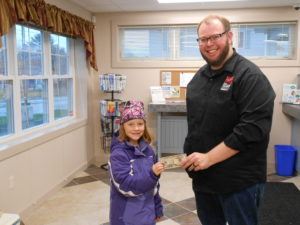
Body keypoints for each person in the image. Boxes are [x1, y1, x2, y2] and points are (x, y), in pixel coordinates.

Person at [180, 15, 276, 225]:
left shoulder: (250, 76)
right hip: (204, 180)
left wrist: (208, 158)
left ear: (230, 36)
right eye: (203, 39)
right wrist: (191, 155)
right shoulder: (199, 78)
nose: (208, 44)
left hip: (238, 183)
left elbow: (250, 131)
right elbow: (198, 124)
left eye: (215, 37)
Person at [108, 100, 164, 225]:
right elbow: (125, 186)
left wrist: (157, 207)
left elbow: (154, 185)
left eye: (140, 123)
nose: (137, 128)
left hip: (147, 214)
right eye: (131, 124)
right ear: (123, 126)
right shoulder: (118, 154)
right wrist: (152, 174)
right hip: (126, 218)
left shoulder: (149, 150)